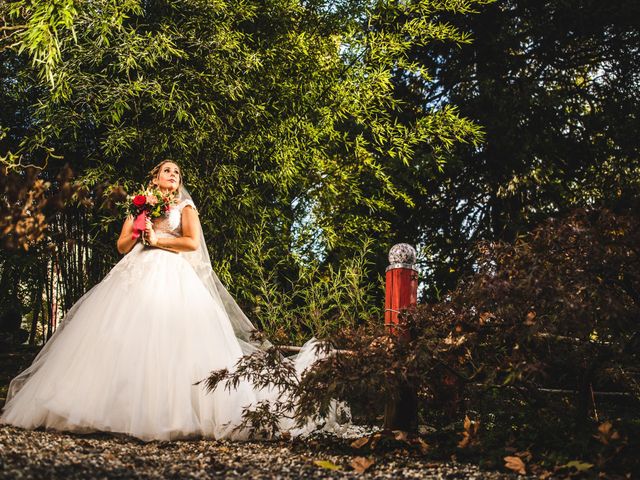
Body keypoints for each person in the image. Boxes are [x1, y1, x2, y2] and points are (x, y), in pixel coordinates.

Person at [0, 160, 342, 441]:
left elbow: (192, 243)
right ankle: (110, 408)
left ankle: (169, 414)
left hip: (173, 274)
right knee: (120, 337)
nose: (173, 175)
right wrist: (140, 229)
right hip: (134, 272)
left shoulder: (184, 206)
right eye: (167, 171)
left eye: (177, 173)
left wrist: (159, 240)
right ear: (154, 177)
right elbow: (121, 246)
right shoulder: (140, 204)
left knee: (172, 340)